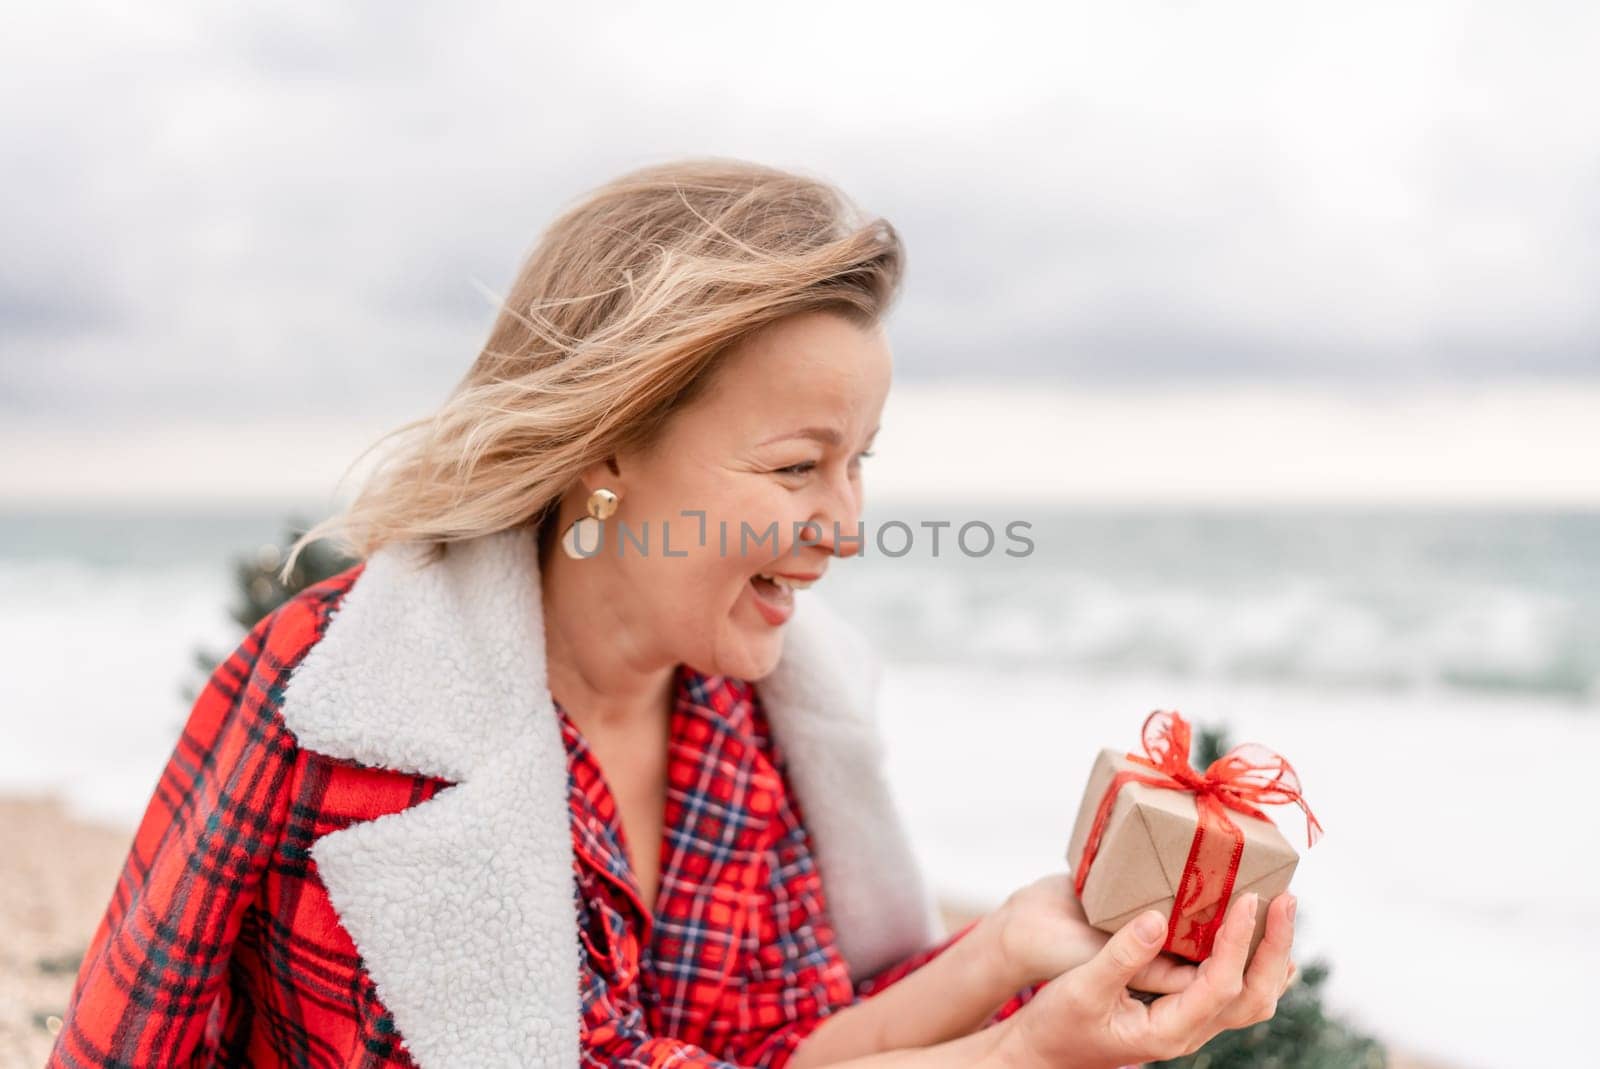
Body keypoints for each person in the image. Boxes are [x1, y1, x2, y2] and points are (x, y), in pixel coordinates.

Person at [47, 158, 1297, 1069]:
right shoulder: (358, 710)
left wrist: (1011, 951)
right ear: (607, 451)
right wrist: (1023, 1056)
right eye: (798, 465)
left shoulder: (743, 722)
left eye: (862, 461)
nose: (847, 524)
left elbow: (788, 1049)